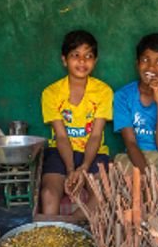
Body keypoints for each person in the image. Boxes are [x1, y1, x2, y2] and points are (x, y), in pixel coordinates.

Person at [40, 30, 113, 216]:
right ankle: (52, 234)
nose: (82, 61)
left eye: (88, 56)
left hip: (94, 153)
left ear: (95, 61)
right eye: (75, 55)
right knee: (48, 194)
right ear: (64, 60)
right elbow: (61, 136)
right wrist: (71, 169)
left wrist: (84, 168)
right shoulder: (51, 93)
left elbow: (96, 135)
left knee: (103, 194)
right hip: (60, 151)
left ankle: (72, 226)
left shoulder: (103, 92)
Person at [113, 32, 158, 198]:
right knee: (129, 189)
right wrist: (146, 175)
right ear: (137, 63)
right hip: (134, 156)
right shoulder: (122, 96)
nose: (151, 67)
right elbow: (130, 143)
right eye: (146, 60)